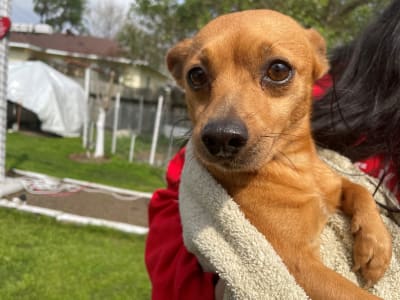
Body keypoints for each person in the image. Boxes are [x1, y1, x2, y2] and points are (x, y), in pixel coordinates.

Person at [145, 1, 400, 298]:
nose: (223, 126)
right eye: (199, 77)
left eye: (277, 72)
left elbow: (337, 186)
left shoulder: (309, 157)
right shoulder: (337, 90)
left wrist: (362, 207)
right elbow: (297, 270)